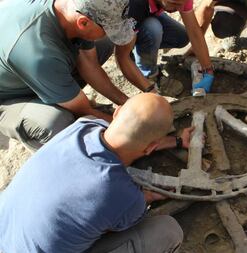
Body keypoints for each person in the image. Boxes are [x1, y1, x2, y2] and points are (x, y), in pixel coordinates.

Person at [0, 93, 191, 253]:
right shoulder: (125, 196)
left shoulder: (83, 126)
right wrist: (146, 197)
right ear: (151, 147)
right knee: (167, 232)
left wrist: (177, 141)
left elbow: (127, 138)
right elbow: (109, 228)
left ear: (116, 113)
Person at [0, 0, 152, 152]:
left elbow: (90, 65)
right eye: (108, 29)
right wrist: (137, 130)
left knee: (104, 43)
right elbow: (83, 110)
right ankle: (55, 157)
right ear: (83, 23)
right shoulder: (40, 54)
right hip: (7, 98)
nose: (109, 33)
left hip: (31, 71)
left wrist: (127, 104)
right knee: (57, 122)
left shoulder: (72, 9)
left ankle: (60, 92)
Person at [116, 0, 215, 95]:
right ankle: (150, 75)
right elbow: (122, 57)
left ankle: (138, 45)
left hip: (146, 13)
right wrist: (150, 90)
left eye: (182, 4)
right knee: (153, 28)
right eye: (173, 3)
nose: (180, 8)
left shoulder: (180, 1)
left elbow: (194, 32)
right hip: (124, 22)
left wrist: (208, 70)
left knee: (182, 37)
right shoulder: (135, 5)